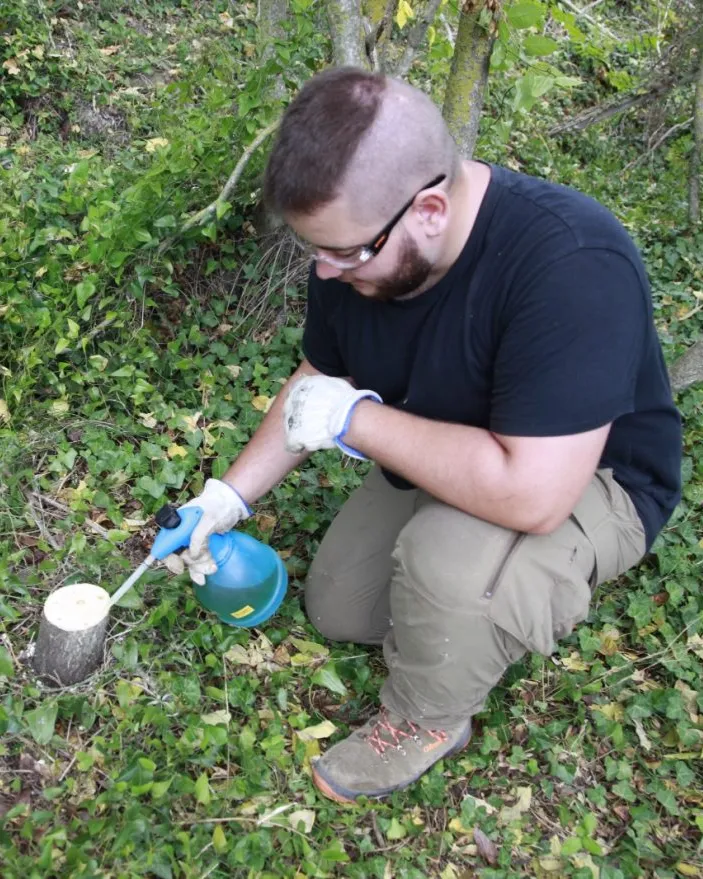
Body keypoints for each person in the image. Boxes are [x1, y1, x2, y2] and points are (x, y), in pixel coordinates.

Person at [166, 67, 682, 804]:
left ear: (429, 209)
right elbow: (320, 375)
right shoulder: (357, 242)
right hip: (454, 439)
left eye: (345, 253)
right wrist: (225, 497)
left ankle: (426, 720)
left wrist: (357, 420)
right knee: (341, 605)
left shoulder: (571, 263)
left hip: (587, 476)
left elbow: (534, 494)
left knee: (444, 564)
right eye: (316, 251)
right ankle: (459, 599)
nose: (326, 270)